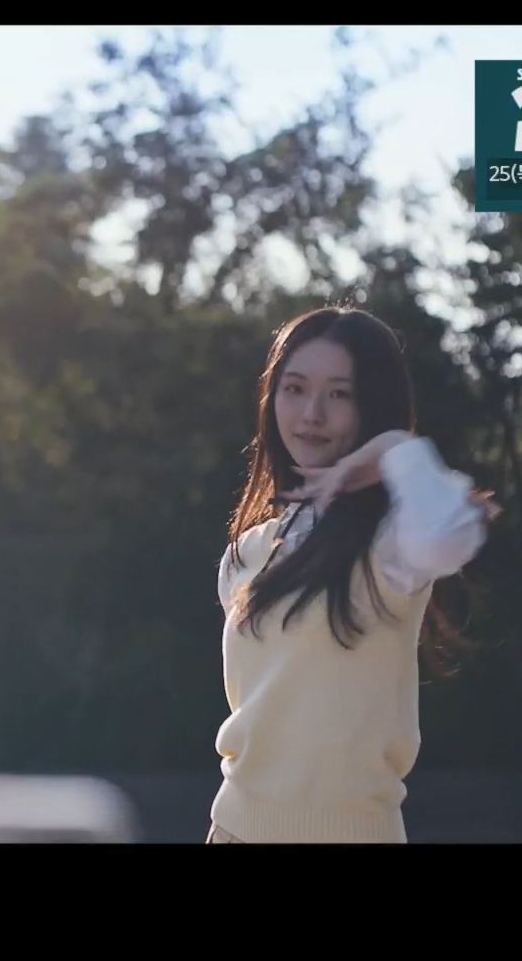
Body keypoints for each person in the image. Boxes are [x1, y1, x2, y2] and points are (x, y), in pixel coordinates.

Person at [210, 306, 498, 844]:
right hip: (234, 829)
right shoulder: (248, 552)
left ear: (373, 405)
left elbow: (450, 533)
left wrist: (393, 448)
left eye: (339, 394)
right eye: (294, 389)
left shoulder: (392, 544)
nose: (311, 414)